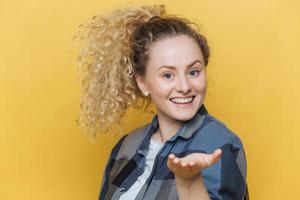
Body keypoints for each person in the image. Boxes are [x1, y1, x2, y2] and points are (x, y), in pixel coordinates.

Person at [75, 4, 249, 200]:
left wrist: (190, 182)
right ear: (143, 84)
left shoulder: (219, 145)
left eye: (193, 72)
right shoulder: (125, 147)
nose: (184, 86)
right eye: (167, 75)